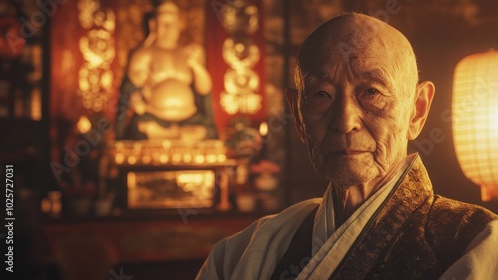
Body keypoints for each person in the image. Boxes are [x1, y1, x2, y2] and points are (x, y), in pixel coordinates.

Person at [196, 13, 498, 280]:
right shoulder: (245, 252)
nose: (344, 121)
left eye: (371, 91)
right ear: (298, 115)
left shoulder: (477, 242)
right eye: (322, 94)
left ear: (417, 111)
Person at [116, 0, 217, 140]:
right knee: (138, 127)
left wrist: (195, 65)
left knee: (208, 130)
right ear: (153, 25)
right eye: (163, 23)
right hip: (154, 116)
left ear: (180, 24)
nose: (168, 28)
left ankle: (171, 135)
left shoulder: (189, 53)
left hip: (188, 116)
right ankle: (173, 135)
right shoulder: (144, 55)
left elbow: (204, 90)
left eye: (172, 23)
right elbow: (132, 89)